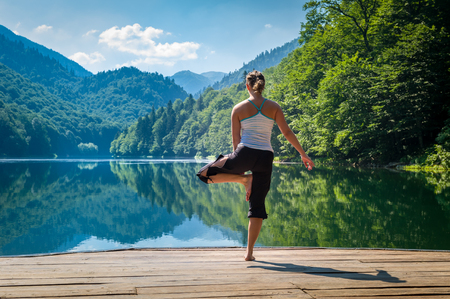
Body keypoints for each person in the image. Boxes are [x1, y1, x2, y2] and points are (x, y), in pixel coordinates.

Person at [197, 70, 314, 261]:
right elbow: (287, 132)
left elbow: (236, 140)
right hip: (266, 157)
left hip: (245, 153)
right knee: (257, 206)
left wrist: (239, 167)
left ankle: (244, 179)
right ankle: (249, 253)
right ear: (263, 85)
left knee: (204, 174)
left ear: (247, 86)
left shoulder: (238, 108)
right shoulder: (274, 107)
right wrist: (303, 154)